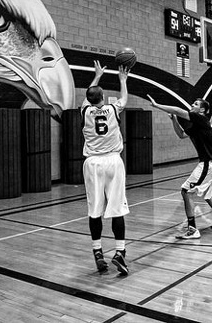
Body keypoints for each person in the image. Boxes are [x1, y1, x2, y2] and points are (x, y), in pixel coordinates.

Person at [147, 95, 212, 239]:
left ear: (202, 110)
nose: (192, 105)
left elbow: (179, 110)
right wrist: (174, 119)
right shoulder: (198, 125)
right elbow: (181, 134)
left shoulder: (201, 118)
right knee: (207, 194)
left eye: (195, 104)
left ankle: (192, 229)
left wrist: (157, 105)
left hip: (209, 162)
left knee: (186, 191)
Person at [81, 60, 130, 275]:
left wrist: (97, 75)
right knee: (117, 208)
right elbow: (125, 99)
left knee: (95, 211)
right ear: (103, 97)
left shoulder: (84, 110)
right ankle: (119, 252)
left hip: (93, 163)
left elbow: (88, 95)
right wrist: (122, 80)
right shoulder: (112, 108)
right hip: (113, 161)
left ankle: (98, 252)